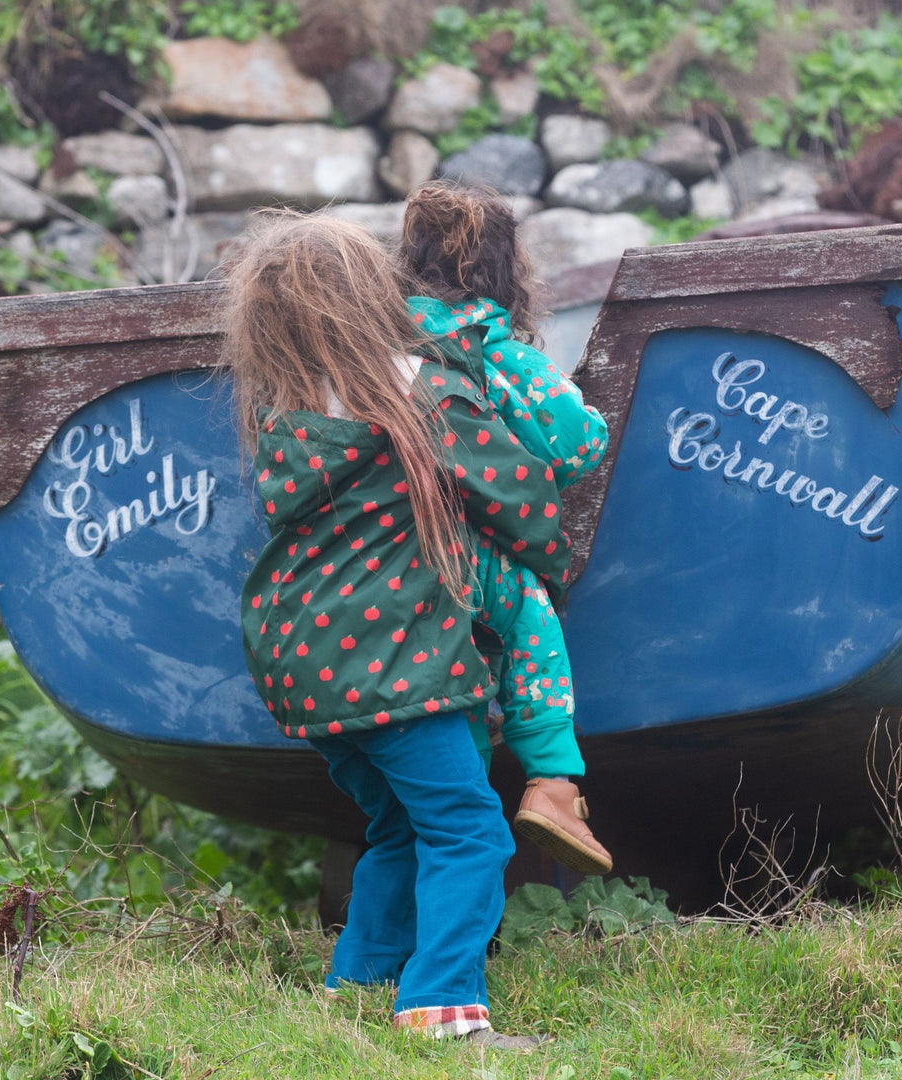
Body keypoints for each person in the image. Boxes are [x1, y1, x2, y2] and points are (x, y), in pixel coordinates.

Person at [220, 209, 571, 1047]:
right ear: (374, 295)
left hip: (297, 657)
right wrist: (536, 564)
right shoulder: (415, 386)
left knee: (399, 827)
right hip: (398, 659)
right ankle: (444, 1011)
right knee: (469, 831)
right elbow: (517, 495)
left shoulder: (283, 412)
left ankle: (359, 986)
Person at [399, 180, 613, 876]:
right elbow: (577, 444)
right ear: (507, 268)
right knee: (526, 611)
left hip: (373, 550)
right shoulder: (495, 353)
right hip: (461, 551)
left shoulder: (375, 342)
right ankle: (552, 781)